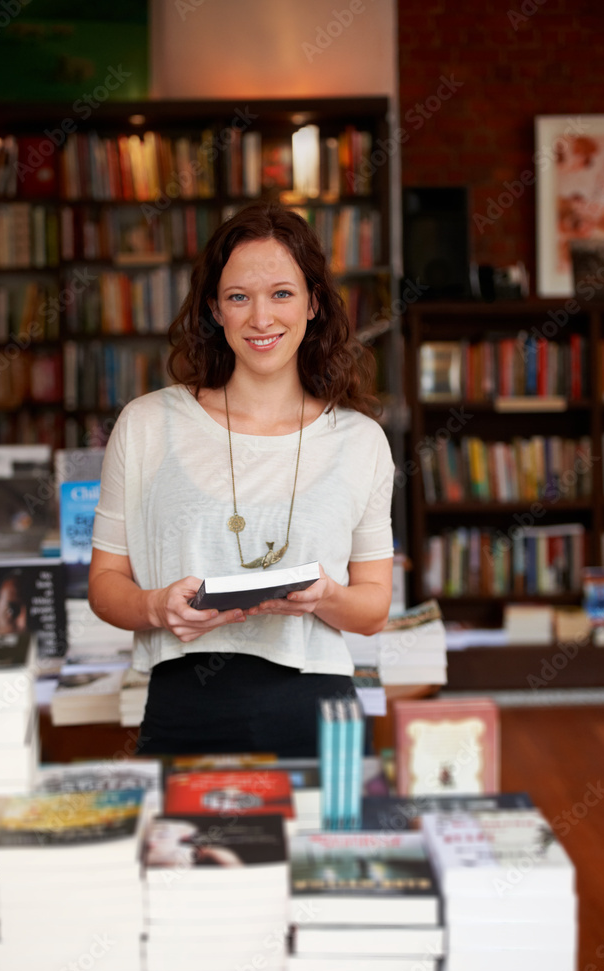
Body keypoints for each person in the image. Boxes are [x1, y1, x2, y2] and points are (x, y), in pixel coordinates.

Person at [88, 201, 395, 757]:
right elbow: (105, 585)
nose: (261, 318)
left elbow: (373, 608)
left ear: (313, 303)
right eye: (238, 297)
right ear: (214, 310)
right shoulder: (147, 424)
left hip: (319, 712)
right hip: (185, 707)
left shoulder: (360, 440)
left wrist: (325, 596)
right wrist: (157, 607)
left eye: (281, 293)